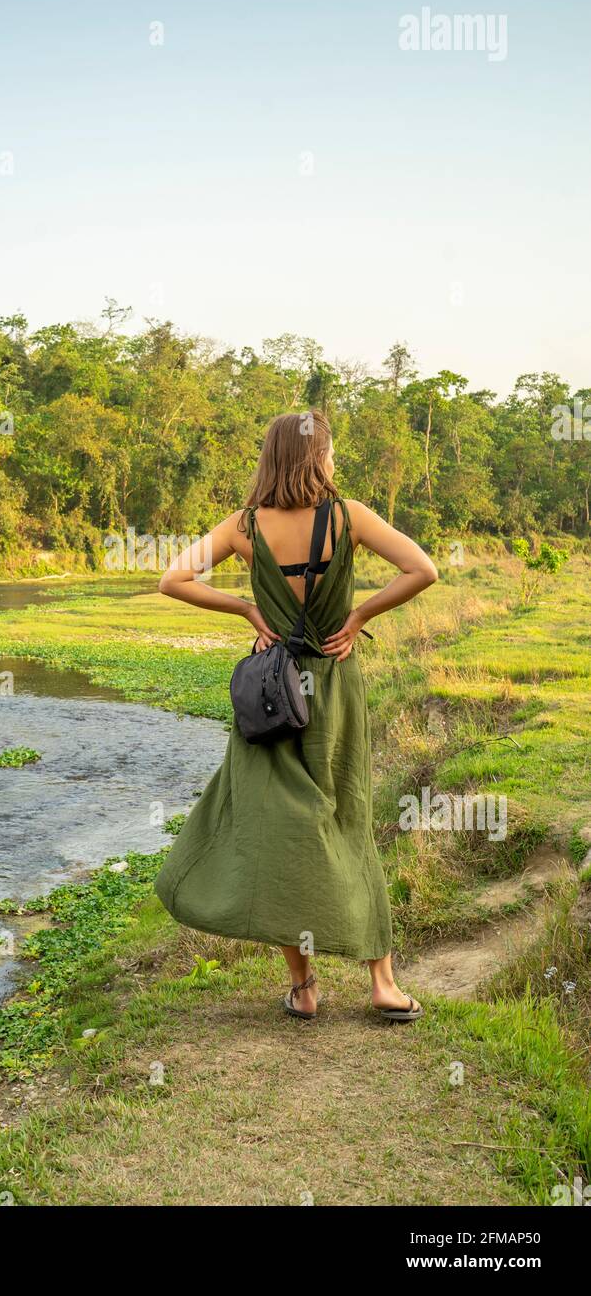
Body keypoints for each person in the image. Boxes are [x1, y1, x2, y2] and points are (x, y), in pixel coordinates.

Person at [154, 410, 438, 1022]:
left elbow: (171, 580)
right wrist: (359, 618)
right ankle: (383, 985)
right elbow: (424, 570)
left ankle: (304, 988)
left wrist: (246, 612)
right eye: (330, 452)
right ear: (316, 457)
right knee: (348, 819)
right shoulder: (349, 516)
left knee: (277, 831)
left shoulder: (245, 526)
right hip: (332, 689)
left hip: (272, 694)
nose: (333, 461)